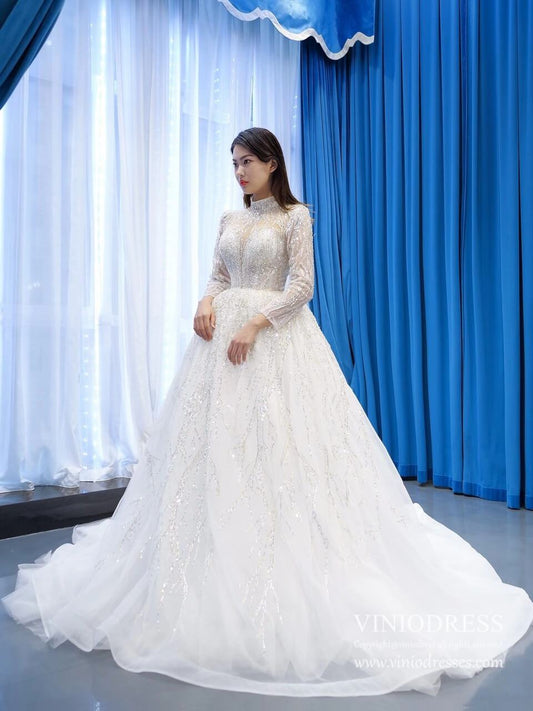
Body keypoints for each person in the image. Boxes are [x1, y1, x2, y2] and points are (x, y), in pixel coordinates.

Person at [3, 127, 533, 698]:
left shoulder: (295, 217)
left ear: (272, 163)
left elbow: (302, 286)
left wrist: (257, 323)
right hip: (218, 347)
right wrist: (205, 301)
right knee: (211, 449)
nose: (239, 172)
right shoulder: (230, 220)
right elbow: (219, 274)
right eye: (233, 163)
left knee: (283, 445)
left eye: (247, 162)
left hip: (274, 340)